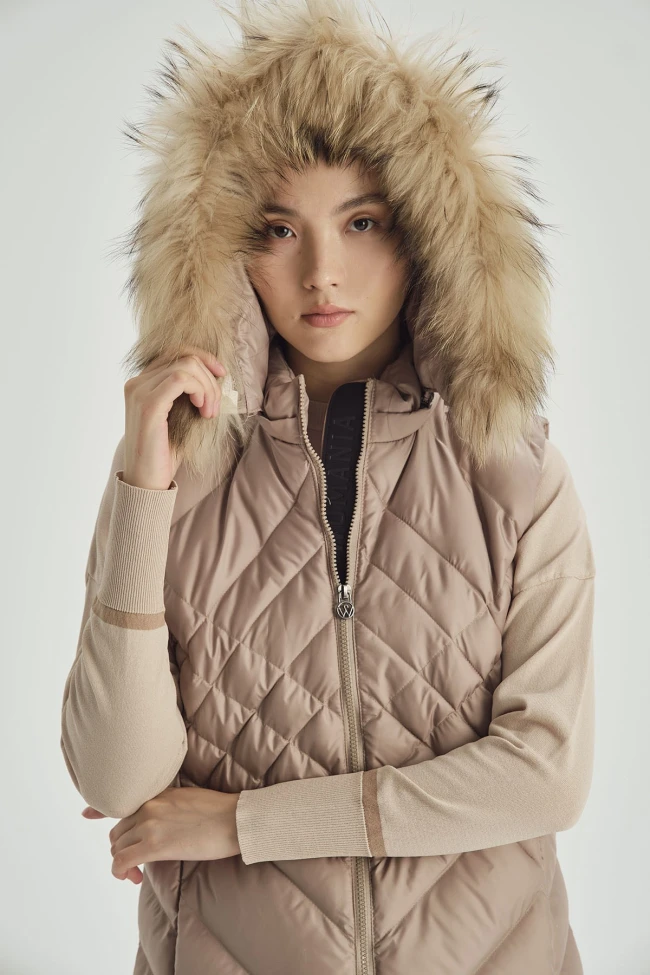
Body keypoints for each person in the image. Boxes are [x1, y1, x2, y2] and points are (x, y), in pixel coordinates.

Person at [59, 0, 596, 972]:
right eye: (276, 229)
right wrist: (144, 488)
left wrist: (242, 824)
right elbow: (117, 779)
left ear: (425, 232)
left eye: (361, 222)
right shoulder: (171, 475)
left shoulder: (513, 473)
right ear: (222, 248)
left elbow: (544, 776)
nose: (322, 272)